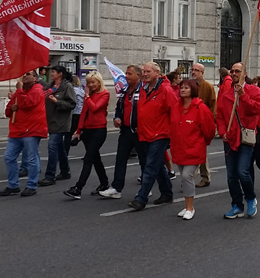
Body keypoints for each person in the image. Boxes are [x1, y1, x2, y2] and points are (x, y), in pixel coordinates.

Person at [127, 63, 179, 211]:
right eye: (143, 71)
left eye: (148, 71)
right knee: (157, 165)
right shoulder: (143, 89)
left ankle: (141, 198)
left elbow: (175, 112)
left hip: (160, 134)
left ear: (157, 73)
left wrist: (173, 133)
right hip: (144, 133)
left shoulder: (166, 90)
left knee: (150, 166)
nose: (144, 74)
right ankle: (167, 193)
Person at [216, 63, 260, 218]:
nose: (234, 73)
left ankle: (250, 198)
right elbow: (220, 116)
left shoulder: (254, 91)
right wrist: (222, 131)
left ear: (245, 73)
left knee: (243, 171)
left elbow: (255, 110)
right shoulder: (225, 94)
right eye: (232, 71)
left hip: (245, 138)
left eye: (237, 71)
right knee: (231, 176)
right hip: (230, 138)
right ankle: (236, 205)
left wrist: (243, 95)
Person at [170, 78, 215, 219]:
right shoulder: (176, 107)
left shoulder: (200, 108)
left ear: (193, 90)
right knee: (184, 179)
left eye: (186, 88)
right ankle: (187, 206)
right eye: (181, 87)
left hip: (194, 149)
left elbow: (209, 129)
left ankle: (190, 208)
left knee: (186, 176)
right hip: (179, 148)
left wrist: (203, 142)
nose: (183, 90)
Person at [0, 70, 47, 197]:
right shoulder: (19, 93)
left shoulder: (37, 90)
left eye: (28, 74)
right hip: (17, 131)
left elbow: (28, 103)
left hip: (31, 130)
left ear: (35, 78)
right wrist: (12, 108)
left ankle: (31, 185)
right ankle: (13, 185)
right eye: (24, 74)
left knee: (31, 159)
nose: (24, 76)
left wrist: (19, 91)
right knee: (9, 157)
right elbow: (7, 112)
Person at [99, 65, 144, 200]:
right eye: (126, 73)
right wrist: (117, 118)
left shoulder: (144, 90)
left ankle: (145, 187)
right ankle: (116, 188)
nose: (126, 76)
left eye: (130, 74)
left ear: (138, 75)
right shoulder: (124, 90)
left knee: (144, 160)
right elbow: (119, 108)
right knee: (120, 159)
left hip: (140, 131)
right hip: (125, 131)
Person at [64, 71, 110, 199]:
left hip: (99, 130)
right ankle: (104, 183)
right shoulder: (89, 95)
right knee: (95, 159)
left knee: (88, 158)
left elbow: (95, 108)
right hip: (87, 130)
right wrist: (78, 131)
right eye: (88, 82)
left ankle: (78, 188)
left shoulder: (104, 94)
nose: (90, 85)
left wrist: (87, 97)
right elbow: (84, 113)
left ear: (99, 82)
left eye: (93, 82)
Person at [40, 66, 76, 186]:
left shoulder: (67, 86)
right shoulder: (49, 87)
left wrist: (57, 102)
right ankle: (65, 171)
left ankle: (50, 176)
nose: (51, 74)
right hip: (50, 120)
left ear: (60, 74)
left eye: (54, 72)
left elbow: (72, 104)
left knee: (52, 146)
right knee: (60, 147)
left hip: (61, 122)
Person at [191, 63, 217, 187]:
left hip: (202, 123)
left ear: (202, 73)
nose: (193, 72)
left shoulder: (208, 87)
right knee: (196, 150)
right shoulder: (189, 85)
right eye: (192, 69)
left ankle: (191, 177)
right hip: (190, 123)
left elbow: (213, 106)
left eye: (197, 70)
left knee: (198, 150)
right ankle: (203, 176)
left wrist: (209, 122)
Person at [65, 74, 84, 178]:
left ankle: (65, 153)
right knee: (81, 131)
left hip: (74, 113)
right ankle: (78, 139)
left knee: (68, 133)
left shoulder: (72, 91)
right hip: (81, 113)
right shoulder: (82, 90)